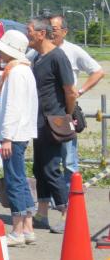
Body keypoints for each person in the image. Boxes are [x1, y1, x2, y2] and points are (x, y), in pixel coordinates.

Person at [26, 16, 76, 233]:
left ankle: (68, 214)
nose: (26, 34)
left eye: (29, 30)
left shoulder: (58, 56)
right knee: (39, 168)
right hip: (38, 121)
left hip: (53, 120)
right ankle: (42, 213)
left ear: (41, 33)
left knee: (51, 168)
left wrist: (67, 115)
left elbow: (70, 91)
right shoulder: (37, 56)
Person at [0, 30, 38, 247]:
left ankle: (17, 230)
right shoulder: (24, 70)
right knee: (20, 178)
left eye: (2, 48)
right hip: (22, 132)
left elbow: (12, 106)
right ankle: (28, 228)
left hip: (14, 134)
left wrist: (7, 137)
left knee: (14, 181)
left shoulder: (16, 72)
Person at [48, 14, 105, 185]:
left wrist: (79, 91)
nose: (51, 32)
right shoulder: (40, 50)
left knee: (69, 158)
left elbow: (98, 71)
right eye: (48, 28)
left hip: (66, 109)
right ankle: (53, 198)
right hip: (45, 109)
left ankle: (70, 197)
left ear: (64, 32)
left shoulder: (73, 50)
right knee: (48, 158)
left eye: (55, 29)